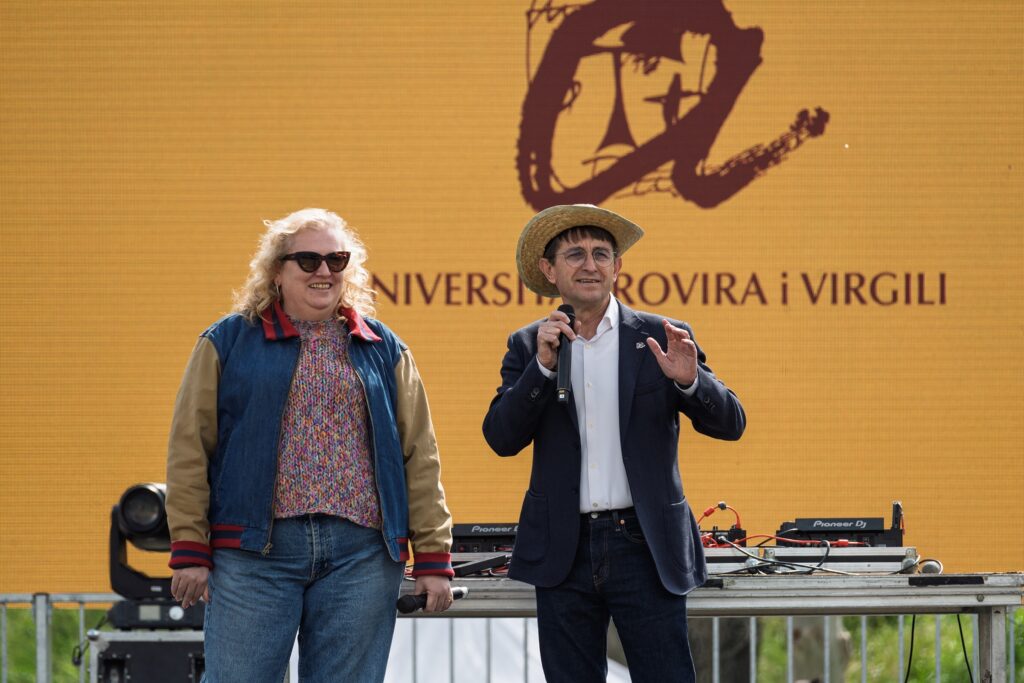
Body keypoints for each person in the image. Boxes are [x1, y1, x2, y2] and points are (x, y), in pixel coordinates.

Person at [165, 208, 454, 682]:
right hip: (253, 555)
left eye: (336, 260)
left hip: (362, 557)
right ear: (276, 272)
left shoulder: (384, 348)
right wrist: (191, 545)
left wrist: (434, 554)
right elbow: (190, 448)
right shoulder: (227, 341)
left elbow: (419, 456)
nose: (324, 271)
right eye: (308, 260)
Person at [482, 204, 746, 682]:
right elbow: (501, 437)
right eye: (575, 254)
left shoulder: (660, 337)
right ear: (549, 270)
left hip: (644, 544)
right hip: (563, 547)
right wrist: (542, 368)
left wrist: (690, 382)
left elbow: (731, 424)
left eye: (601, 254)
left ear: (617, 266)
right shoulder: (529, 344)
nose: (590, 265)